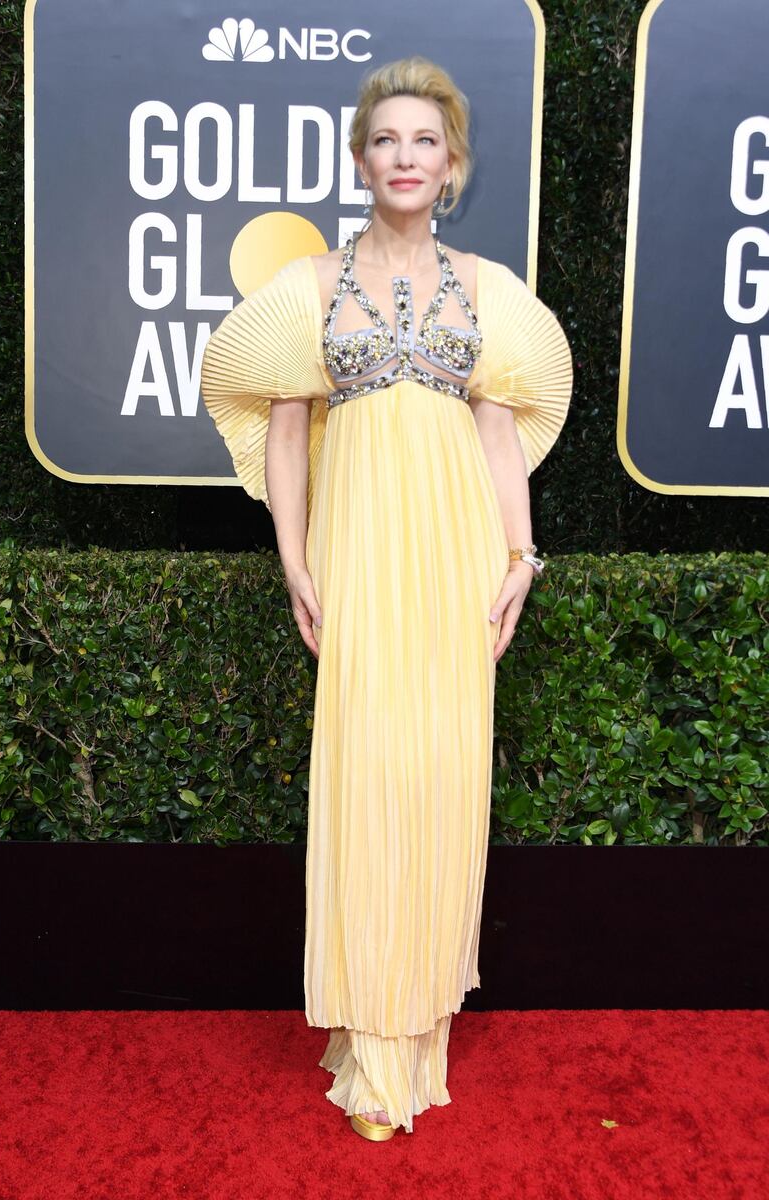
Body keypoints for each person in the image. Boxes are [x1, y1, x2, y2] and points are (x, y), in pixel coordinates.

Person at [200, 56, 573, 1141]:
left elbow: (498, 430)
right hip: (359, 553)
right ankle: (369, 1051)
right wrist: (295, 559)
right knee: (367, 778)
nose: (404, 157)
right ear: (360, 160)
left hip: (457, 554)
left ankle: (416, 1032)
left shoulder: (488, 289)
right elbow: (281, 432)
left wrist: (519, 557)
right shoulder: (312, 286)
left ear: (449, 165)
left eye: (424, 141)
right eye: (385, 140)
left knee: (438, 779)